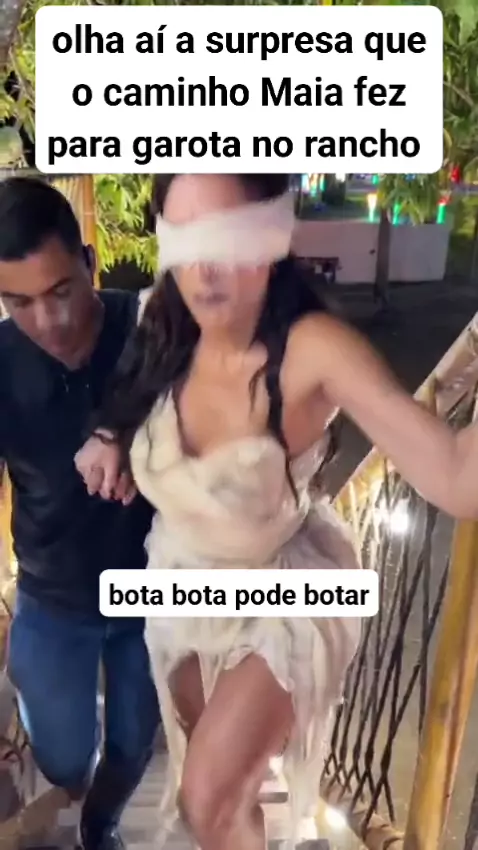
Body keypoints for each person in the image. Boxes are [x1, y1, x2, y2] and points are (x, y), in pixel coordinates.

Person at [75, 172, 478, 850]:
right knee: (224, 798)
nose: (205, 269)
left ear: (273, 234)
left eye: (230, 237)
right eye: (187, 238)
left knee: (207, 794)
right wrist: (110, 436)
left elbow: (457, 477)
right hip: (178, 583)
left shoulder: (313, 347)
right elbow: (132, 394)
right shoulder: (160, 316)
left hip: (282, 592)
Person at [0, 176, 160, 850]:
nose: (49, 321)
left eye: (61, 291)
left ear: (90, 263)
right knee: (62, 754)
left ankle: (102, 826)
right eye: (19, 302)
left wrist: (137, 441)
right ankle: (76, 793)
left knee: (135, 741)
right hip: (50, 595)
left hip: (157, 592)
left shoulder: (154, 330)